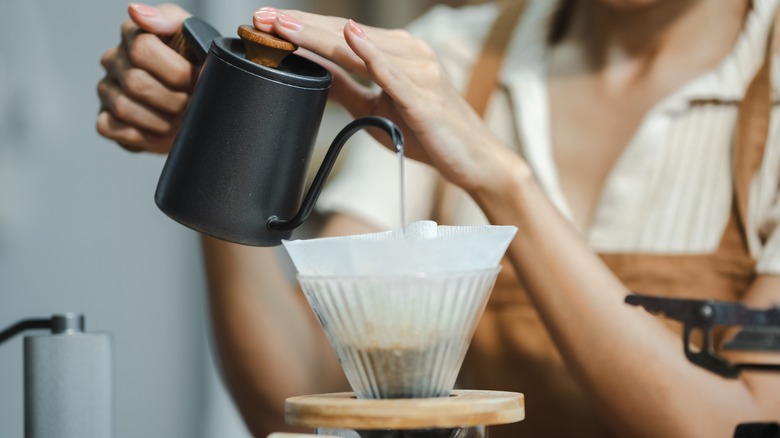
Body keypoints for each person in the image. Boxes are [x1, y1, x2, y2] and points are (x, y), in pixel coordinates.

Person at [97, 0, 780, 436]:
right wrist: (220, 150)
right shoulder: (448, 57)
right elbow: (303, 395)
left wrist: (501, 181)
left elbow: (746, 422)